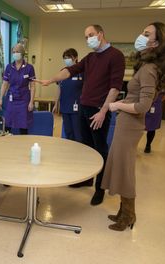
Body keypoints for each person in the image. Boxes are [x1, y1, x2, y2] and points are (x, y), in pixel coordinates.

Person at [36, 25, 125, 205]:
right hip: (84, 107)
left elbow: (115, 87)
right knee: (86, 148)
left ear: (101, 34)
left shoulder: (116, 56)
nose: (88, 39)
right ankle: (87, 179)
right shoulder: (90, 57)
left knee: (100, 149)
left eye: (91, 35)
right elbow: (70, 70)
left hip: (98, 110)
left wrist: (103, 111)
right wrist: (50, 80)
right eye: (86, 37)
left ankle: (100, 189)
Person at [102, 22, 165, 231]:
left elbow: (143, 105)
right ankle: (122, 211)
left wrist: (117, 104)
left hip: (131, 124)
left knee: (125, 170)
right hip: (126, 122)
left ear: (157, 42)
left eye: (146, 34)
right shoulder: (146, 66)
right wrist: (122, 105)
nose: (141, 36)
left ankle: (129, 215)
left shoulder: (149, 69)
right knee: (120, 166)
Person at [0, 43, 35, 134]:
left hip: (24, 99)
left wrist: (31, 101)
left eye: (17, 52)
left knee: (23, 124)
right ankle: (7, 144)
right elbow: (4, 84)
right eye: (13, 52)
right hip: (11, 99)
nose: (15, 54)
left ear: (22, 53)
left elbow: (33, 86)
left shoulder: (29, 68)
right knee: (8, 123)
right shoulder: (9, 67)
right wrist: (0, 99)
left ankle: (23, 145)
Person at [52, 48, 83, 142]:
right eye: (65, 58)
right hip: (65, 106)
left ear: (76, 58)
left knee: (78, 133)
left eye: (69, 57)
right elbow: (59, 88)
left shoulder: (82, 71)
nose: (67, 60)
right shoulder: (63, 71)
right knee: (68, 132)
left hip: (77, 108)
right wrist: (56, 103)